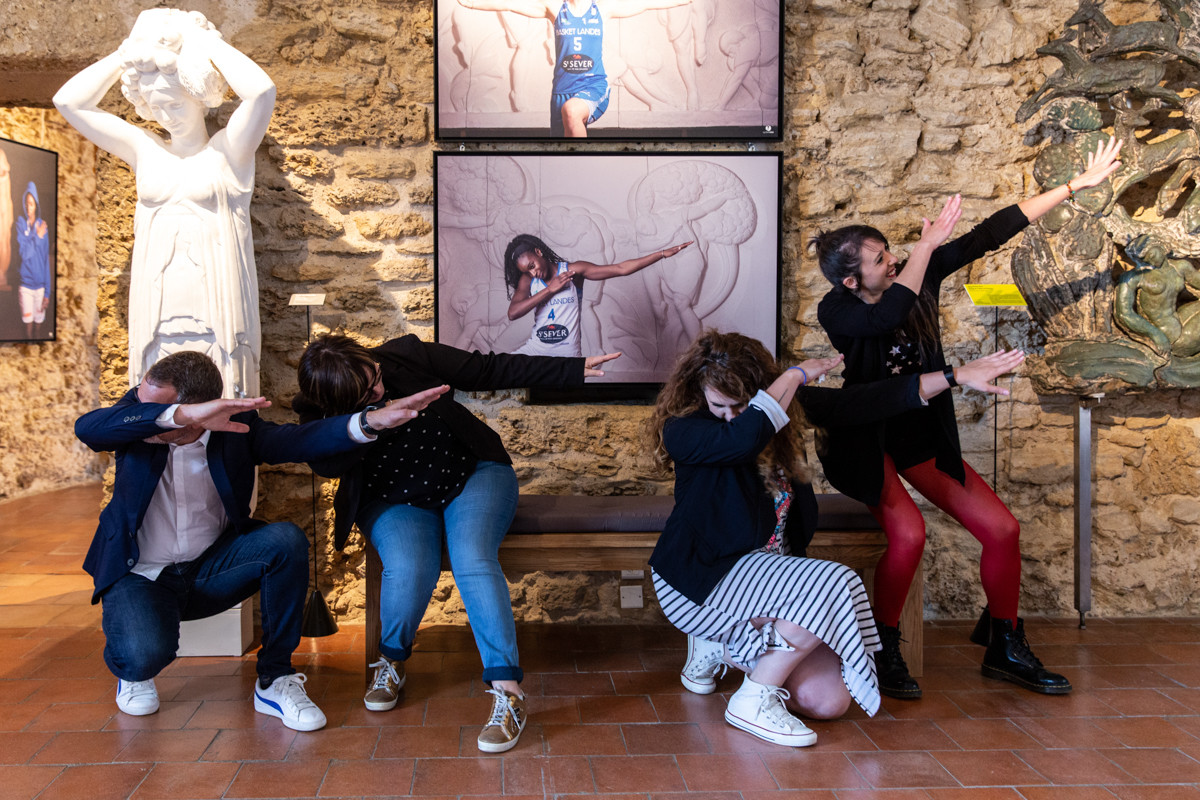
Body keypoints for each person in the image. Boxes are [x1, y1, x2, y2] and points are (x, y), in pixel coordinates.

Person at [811, 137, 1123, 699]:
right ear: (851, 281)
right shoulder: (836, 309)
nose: (894, 260)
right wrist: (928, 248)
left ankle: (1005, 645)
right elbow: (888, 318)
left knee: (1002, 529)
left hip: (920, 433)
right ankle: (882, 650)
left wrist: (1074, 186)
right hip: (866, 437)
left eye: (891, 252)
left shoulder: (918, 270)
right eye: (880, 260)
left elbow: (990, 232)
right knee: (909, 534)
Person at [647, 329, 1026, 746]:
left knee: (829, 701)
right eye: (720, 405)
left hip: (767, 587)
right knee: (837, 582)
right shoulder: (686, 428)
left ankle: (724, 649)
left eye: (742, 404)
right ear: (701, 394)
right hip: (701, 582)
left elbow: (867, 401)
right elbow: (741, 439)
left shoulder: (780, 408)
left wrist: (955, 376)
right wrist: (793, 376)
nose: (732, 415)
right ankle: (751, 699)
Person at [74, 351, 446, 731]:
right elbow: (89, 428)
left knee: (284, 541)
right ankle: (133, 672)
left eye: (167, 409)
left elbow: (297, 440)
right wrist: (175, 415)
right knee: (143, 657)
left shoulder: (234, 428)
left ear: (202, 409)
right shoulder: (134, 421)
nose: (148, 413)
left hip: (211, 569)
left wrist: (368, 422)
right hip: (141, 573)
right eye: (148, 404)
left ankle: (274, 680)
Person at [293, 333, 620, 752]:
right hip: (393, 498)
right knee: (410, 567)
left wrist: (571, 368)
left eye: (374, 376)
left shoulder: (404, 355)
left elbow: (487, 369)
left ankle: (509, 694)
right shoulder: (315, 409)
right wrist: (373, 420)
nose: (378, 389)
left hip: (472, 474)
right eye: (364, 393)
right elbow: (326, 462)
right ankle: (391, 660)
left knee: (472, 558)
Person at [53, 8, 275, 397]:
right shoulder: (145, 150)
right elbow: (69, 102)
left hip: (217, 306)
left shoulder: (228, 151)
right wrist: (128, 53)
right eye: (156, 108)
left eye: (175, 105)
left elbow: (261, 92)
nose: (166, 117)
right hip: (157, 308)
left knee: (221, 398)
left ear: (197, 98)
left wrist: (201, 41)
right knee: (158, 407)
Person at [456, 0, 692, 137]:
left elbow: (646, 3)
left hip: (593, 87)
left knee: (571, 111)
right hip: (561, 92)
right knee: (561, 150)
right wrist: (471, 3)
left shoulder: (602, 8)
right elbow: (510, 3)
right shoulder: (555, 8)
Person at [503, 233, 692, 356]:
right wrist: (549, 289)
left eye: (532, 266)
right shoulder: (528, 281)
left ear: (538, 252)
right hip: (536, 350)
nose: (533, 273)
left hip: (566, 354)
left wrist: (661, 254)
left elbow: (620, 269)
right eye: (527, 271)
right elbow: (513, 313)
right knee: (501, 370)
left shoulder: (573, 270)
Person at [15, 181, 51, 339]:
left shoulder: (43, 226)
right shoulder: (20, 224)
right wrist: (37, 236)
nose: (28, 207)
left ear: (36, 205)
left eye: (31, 204)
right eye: (26, 203)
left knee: (38, 327)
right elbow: (24, 254)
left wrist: (47, 292)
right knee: (28, 328)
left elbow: (45, 260)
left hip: (40, 287)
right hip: (26, 286)